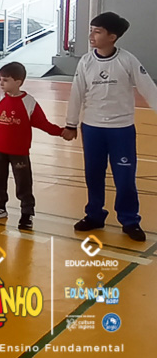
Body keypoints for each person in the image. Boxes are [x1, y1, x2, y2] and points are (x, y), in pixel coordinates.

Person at [63, 12, 157, 242]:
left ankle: (130, 220)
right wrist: (71, 123)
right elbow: (77, 93)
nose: (91, 36)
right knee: (93, 174)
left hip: (121, 129)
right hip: (92, 128)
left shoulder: (127, 60)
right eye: (91, 30)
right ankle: (94, 215)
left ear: (112, 37)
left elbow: (148, 88)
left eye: (97, 32)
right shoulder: (85, 62)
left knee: (124, 178)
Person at [0, 62, 63, 230]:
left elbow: (43, 123)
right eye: (0, 79)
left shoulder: (29, 102)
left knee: (23, 182)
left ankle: (27, 212)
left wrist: (61, 132)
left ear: (18, 82)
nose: (1, 83)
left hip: (19, 152)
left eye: (5, 80)